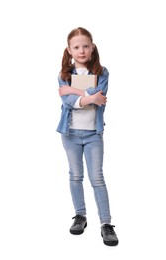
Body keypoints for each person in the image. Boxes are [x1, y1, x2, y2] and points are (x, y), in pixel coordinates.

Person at [56, 27, 119, 246]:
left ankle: (106, 224)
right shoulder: (65, 74)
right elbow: (68, 103)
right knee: (75, 175)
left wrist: (74, 92)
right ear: (69, 50)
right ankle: (80, 215)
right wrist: (88, 97)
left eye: (85, 46)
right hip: (71, 134)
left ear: (92, 48)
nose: (81, 50)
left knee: (97, 177)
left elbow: (99, 97)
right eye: (76, 47)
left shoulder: (102, 72)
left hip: (93, 134)